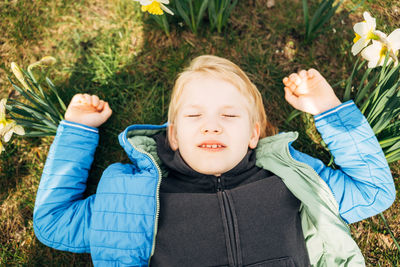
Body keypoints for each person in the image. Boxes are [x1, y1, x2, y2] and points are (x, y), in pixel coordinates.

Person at [33, 55, 395, 266]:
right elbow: (54, 222)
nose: (211, 126)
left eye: (229, 116)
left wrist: (328, 109)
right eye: (194, 117)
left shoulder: (290, 179)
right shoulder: (134, 198)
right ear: (173, 135)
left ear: (254, 134)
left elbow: (373, 190)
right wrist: (78, 132)